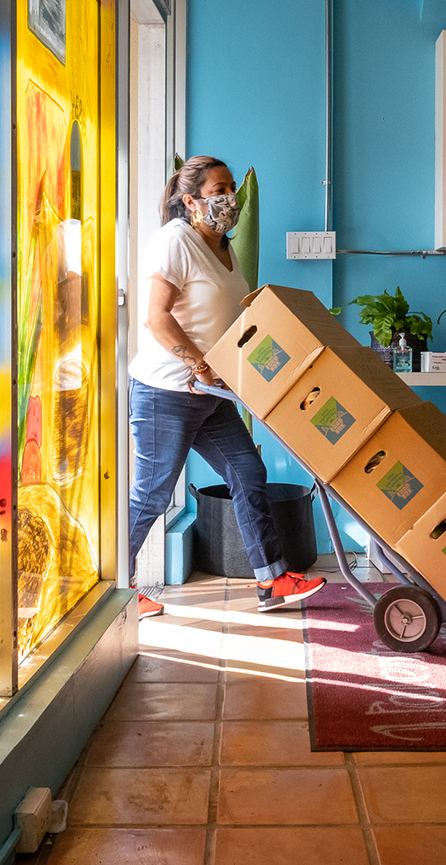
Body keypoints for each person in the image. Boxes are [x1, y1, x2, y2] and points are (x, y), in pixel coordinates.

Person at [126, 156, 326, 619]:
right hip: (167, 392)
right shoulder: (175, 240)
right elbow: (156, 317)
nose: (229, 198)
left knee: (248, 473)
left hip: (210, 394)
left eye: (232, 187)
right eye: (218, 189)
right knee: (152, 493)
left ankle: (272, 580)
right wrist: (197, 363)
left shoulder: (227, 249)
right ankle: (116, 590)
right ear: (191, 199)